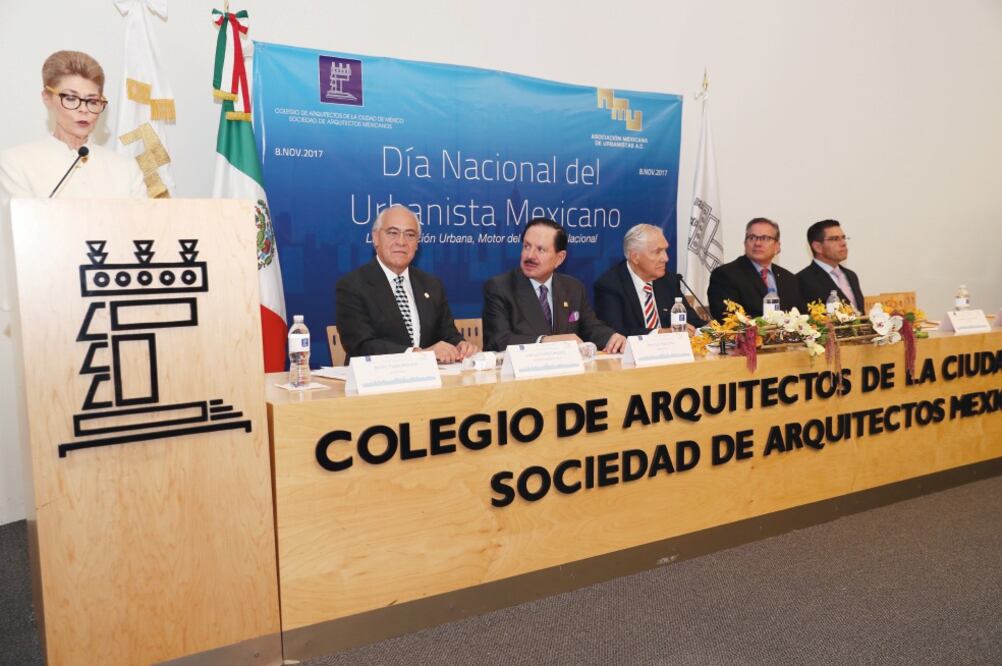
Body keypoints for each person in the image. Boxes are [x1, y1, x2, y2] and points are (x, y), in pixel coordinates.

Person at [335, 205, 478, 363]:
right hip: (377, 381)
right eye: (393, 233)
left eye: (410, 235)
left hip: (430, 381)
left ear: (417, 243)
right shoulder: (352, 286)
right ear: (375, 238)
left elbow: (448, 333)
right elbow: (361, 346)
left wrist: (460, 345)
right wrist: (417, 354)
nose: (401, 242)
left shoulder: (432, 284)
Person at [0, 50, 146, 201]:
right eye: (71, 98)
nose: (83, 109)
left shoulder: (127, 169)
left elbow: (142, 224)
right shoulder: (15, 163)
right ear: (47, 98)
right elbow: (23, 223)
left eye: (92, 101)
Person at [482, 217, 626, 353]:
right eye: (526, 246)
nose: (530, 255)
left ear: (559, 258)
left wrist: (611, 337)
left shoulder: (573, 287)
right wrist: (547, 341)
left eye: (540, 250)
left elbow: (590, 326)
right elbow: (498, 341)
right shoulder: (500, 287)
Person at [594, 223, 706, 336]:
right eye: (657, 252)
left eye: (665, 250)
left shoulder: (668, 280)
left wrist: (708, 329)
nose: (666, 258)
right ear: (635, 257)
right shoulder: (610, 285)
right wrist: (661, 333)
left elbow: (692, 322)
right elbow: (614, 334)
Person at [707, 217, 802, 319]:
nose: (757, 243)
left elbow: (801, 315)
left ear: (777, 246)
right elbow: (727, 317)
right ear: (745, 243)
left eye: (765, 238)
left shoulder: (789, 278)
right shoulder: (725, 275)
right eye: (752, 238)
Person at [797, 219, 864, 312]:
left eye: (843, 238)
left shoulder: (851, 275)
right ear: (817, 247)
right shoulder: (802, 280)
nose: (843, 243)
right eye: (835, 239)